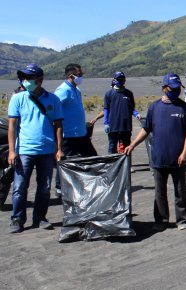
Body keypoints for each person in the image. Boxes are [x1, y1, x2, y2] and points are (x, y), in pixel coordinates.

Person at [125, 73, 186, 231]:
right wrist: (133, 144)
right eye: (173, 88)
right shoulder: (154, 107)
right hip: (159, 157)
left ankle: (182, 219)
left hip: (178, 157)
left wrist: (185, 152)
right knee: (159, 191)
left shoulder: (184, 107)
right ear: (164, 88)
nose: (176, 91)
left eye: (178, 88)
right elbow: (146, 129)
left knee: (180, 190)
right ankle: (161, 220)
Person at [6, 64, 64, 233]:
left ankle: (40, 218)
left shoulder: (53, 99)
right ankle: (17, 219)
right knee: (19, 187)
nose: (25, 81)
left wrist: (59, 148)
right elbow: (12, 127)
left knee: (44, 187)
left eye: (29, 78)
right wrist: (12, 150)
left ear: (39, 80)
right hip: (24, 151)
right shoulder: (17, 98)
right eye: (24, 77)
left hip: (46, 150)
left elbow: (58, 125)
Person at [54, 63, 97, 194]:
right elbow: (54, 110)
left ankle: (92, 183)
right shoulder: (63, 90)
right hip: (69, 134)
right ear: (70, 76)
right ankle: (59, 187)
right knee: (65, 161)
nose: (81, 77)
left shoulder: (76, 90)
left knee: (92, 157)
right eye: (79, 74)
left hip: (81, 133)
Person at [91, 71, 140, 154]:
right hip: (113, 127)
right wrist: (106, 123)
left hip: (126, 127)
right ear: (114, 80)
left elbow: (131, 108)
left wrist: (136, 114)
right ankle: (113, 166)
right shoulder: (109, 94)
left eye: (122, 78)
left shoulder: (129, 93)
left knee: (126, 148)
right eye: (118, 79)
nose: (121, 80)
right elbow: (106, 109)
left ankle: (126, 166)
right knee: (112, 147)